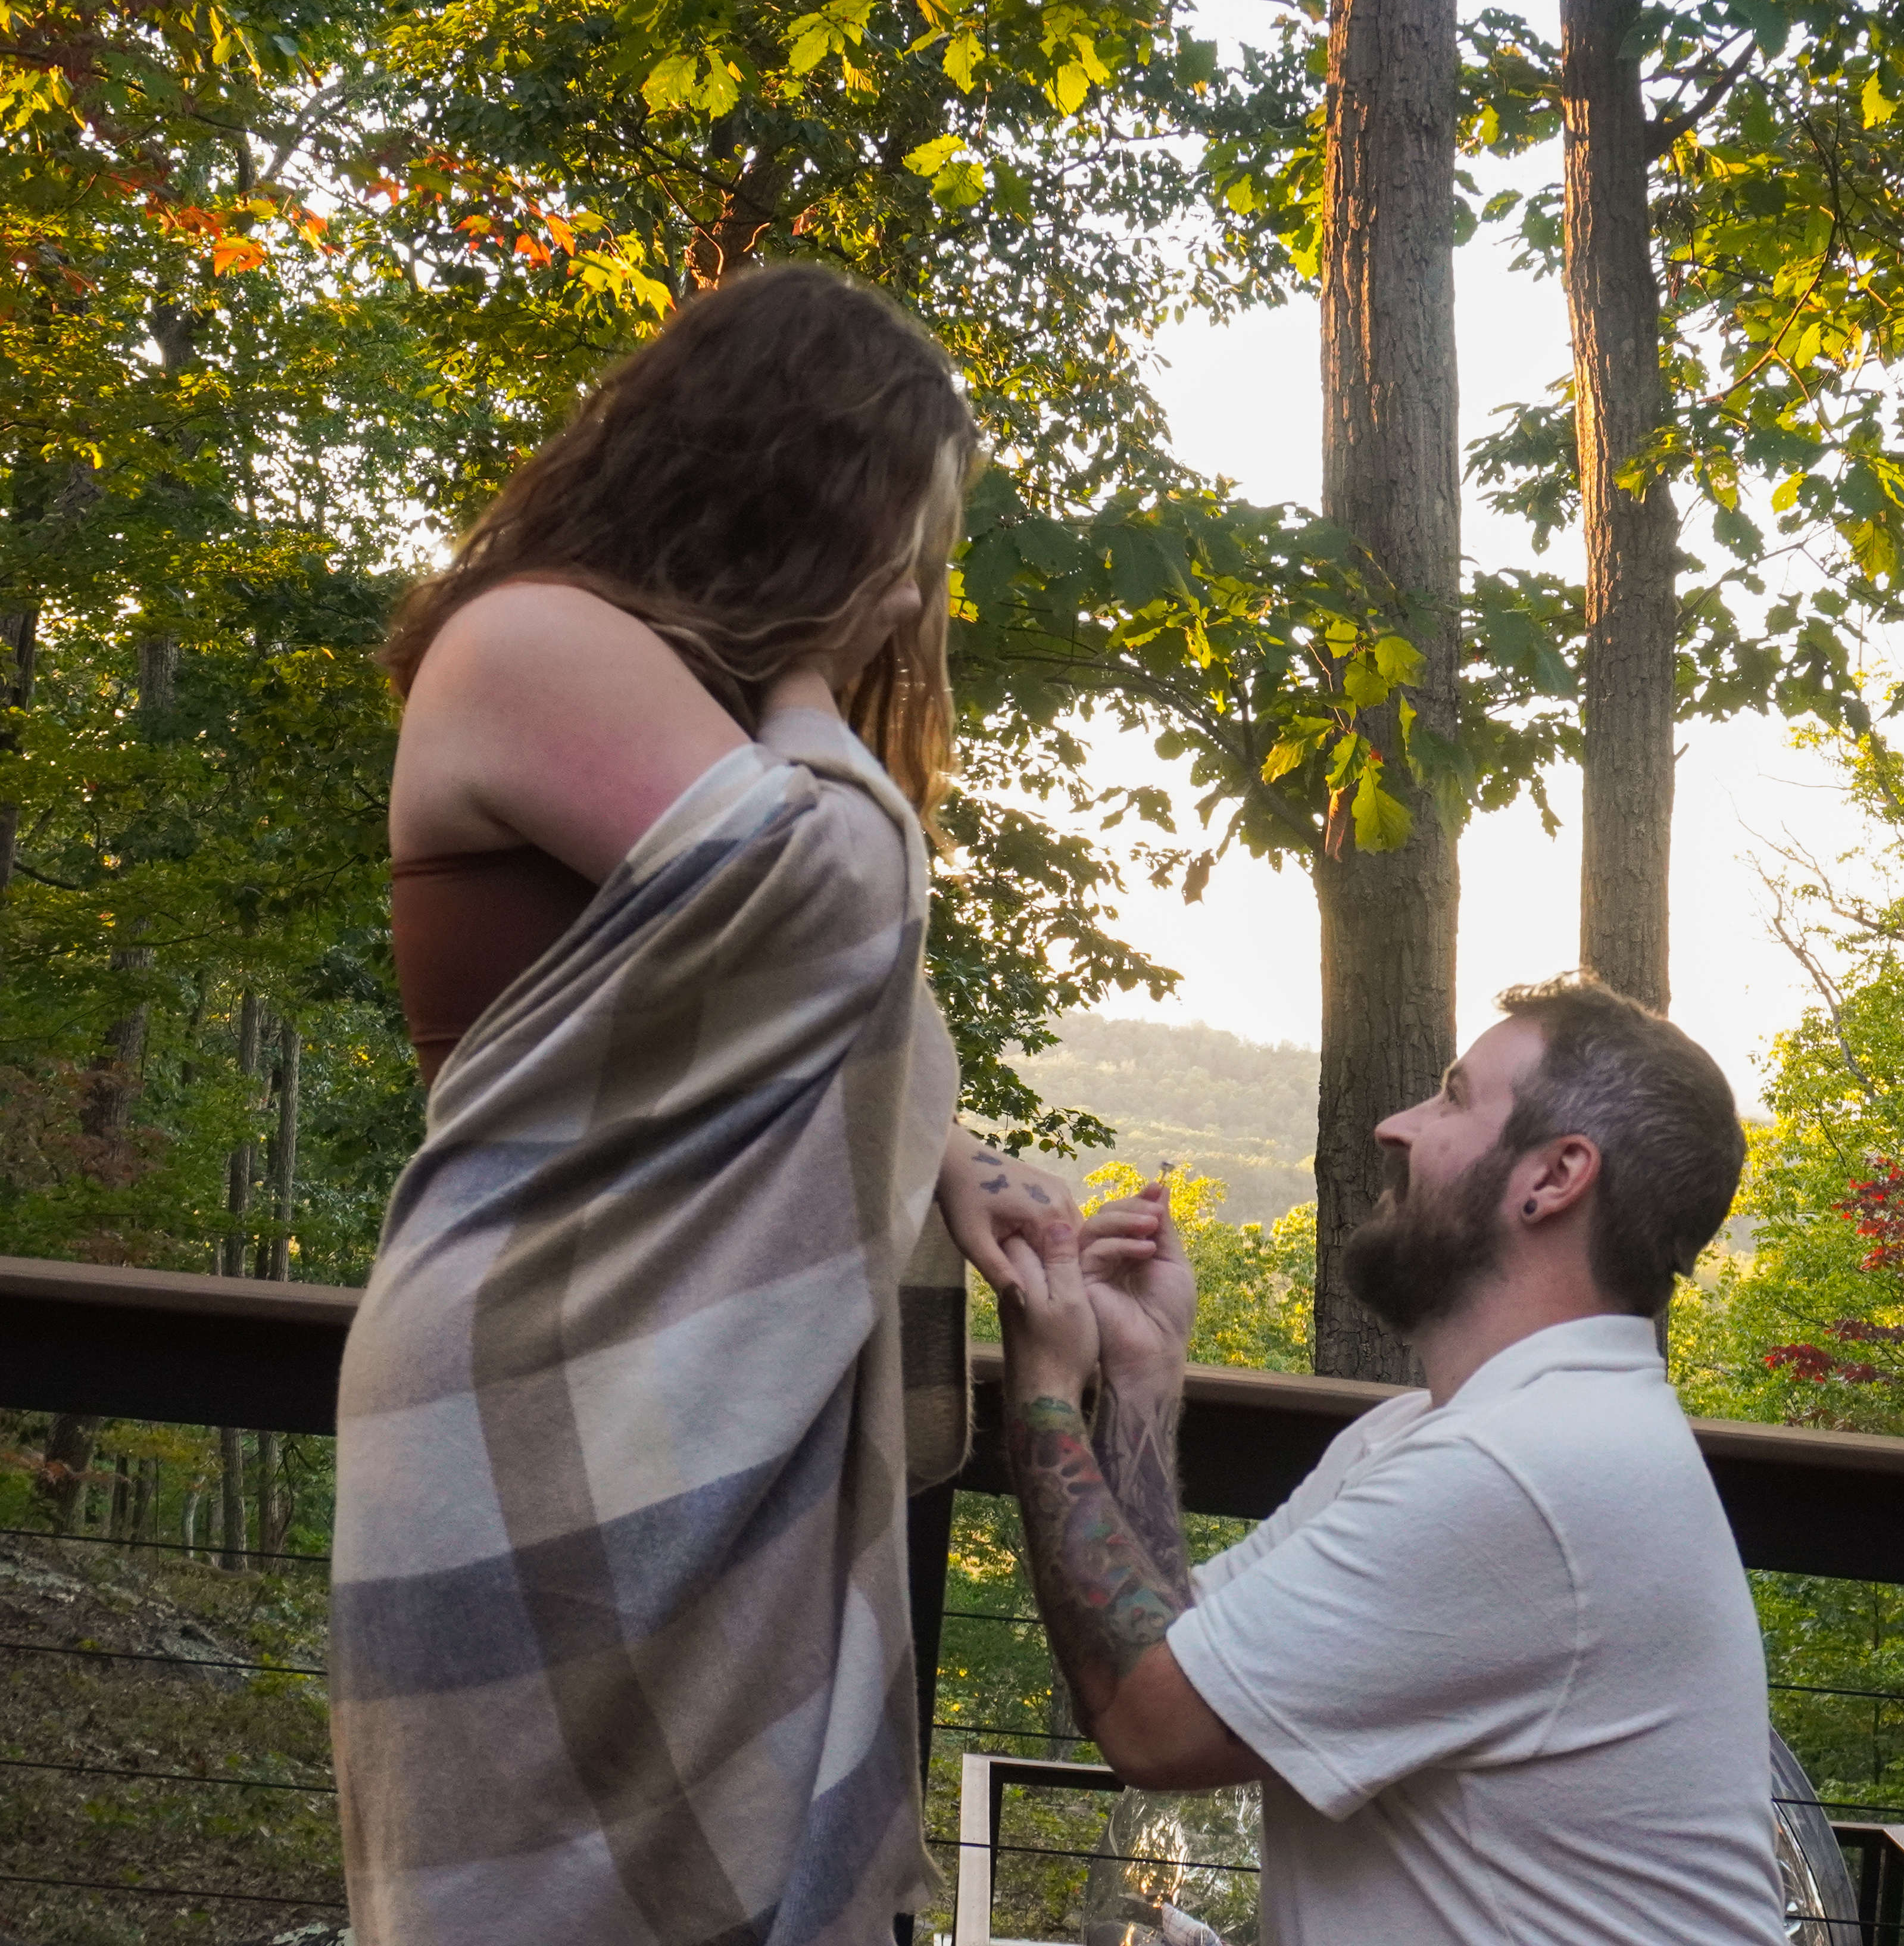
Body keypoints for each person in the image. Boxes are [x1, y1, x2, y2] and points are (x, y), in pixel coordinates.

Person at [330, 263, 1080, 1946]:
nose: (915, 583)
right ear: (815, 486)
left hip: (689, 1387)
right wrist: (814, 678)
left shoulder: (670, 699)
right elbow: (825, 894)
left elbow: (806, 991)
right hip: (550, 1381)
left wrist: (945, 1158)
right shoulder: (532, 638)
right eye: (908, 531)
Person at [985, 972, 1783, 1944]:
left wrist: (1043, 1390)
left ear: (1554, 1177)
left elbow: (1151, 1727)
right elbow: (1173, 1649)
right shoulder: (1432, 1433)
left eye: (1452, 1098)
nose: (1394, 1126)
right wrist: (1146, 1377)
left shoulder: (1523, 1470)